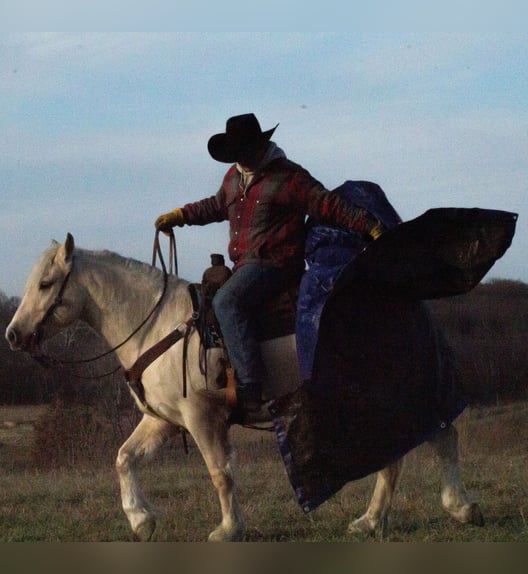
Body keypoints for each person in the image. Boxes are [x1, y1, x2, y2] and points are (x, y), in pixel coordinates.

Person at [155, 113, 385, 415]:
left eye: (244, 151)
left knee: (227, 302)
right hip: (245, 265)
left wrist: (369, 225)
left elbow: (327, 204)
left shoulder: (289, 177)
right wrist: (181, 216)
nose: (240, 159)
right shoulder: (234, 177)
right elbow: (215, 206)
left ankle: (249, 386)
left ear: (258, 146)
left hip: (276, 263)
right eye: (235, 154)